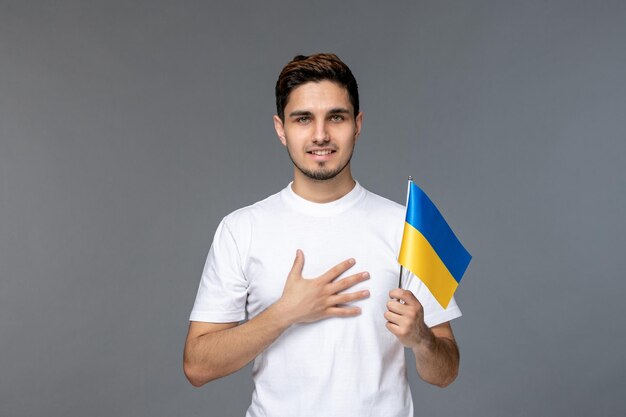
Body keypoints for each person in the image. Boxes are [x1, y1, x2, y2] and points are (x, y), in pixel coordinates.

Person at [184, 53, 462, 417]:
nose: (320, 135)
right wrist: (284, 313)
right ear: (281, 128)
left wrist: (421, 338)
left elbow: (446, 372)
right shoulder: (241, 229)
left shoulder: (408, 228)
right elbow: (197, 367)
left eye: (336, 117)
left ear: (357, 124)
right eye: (303, 119)